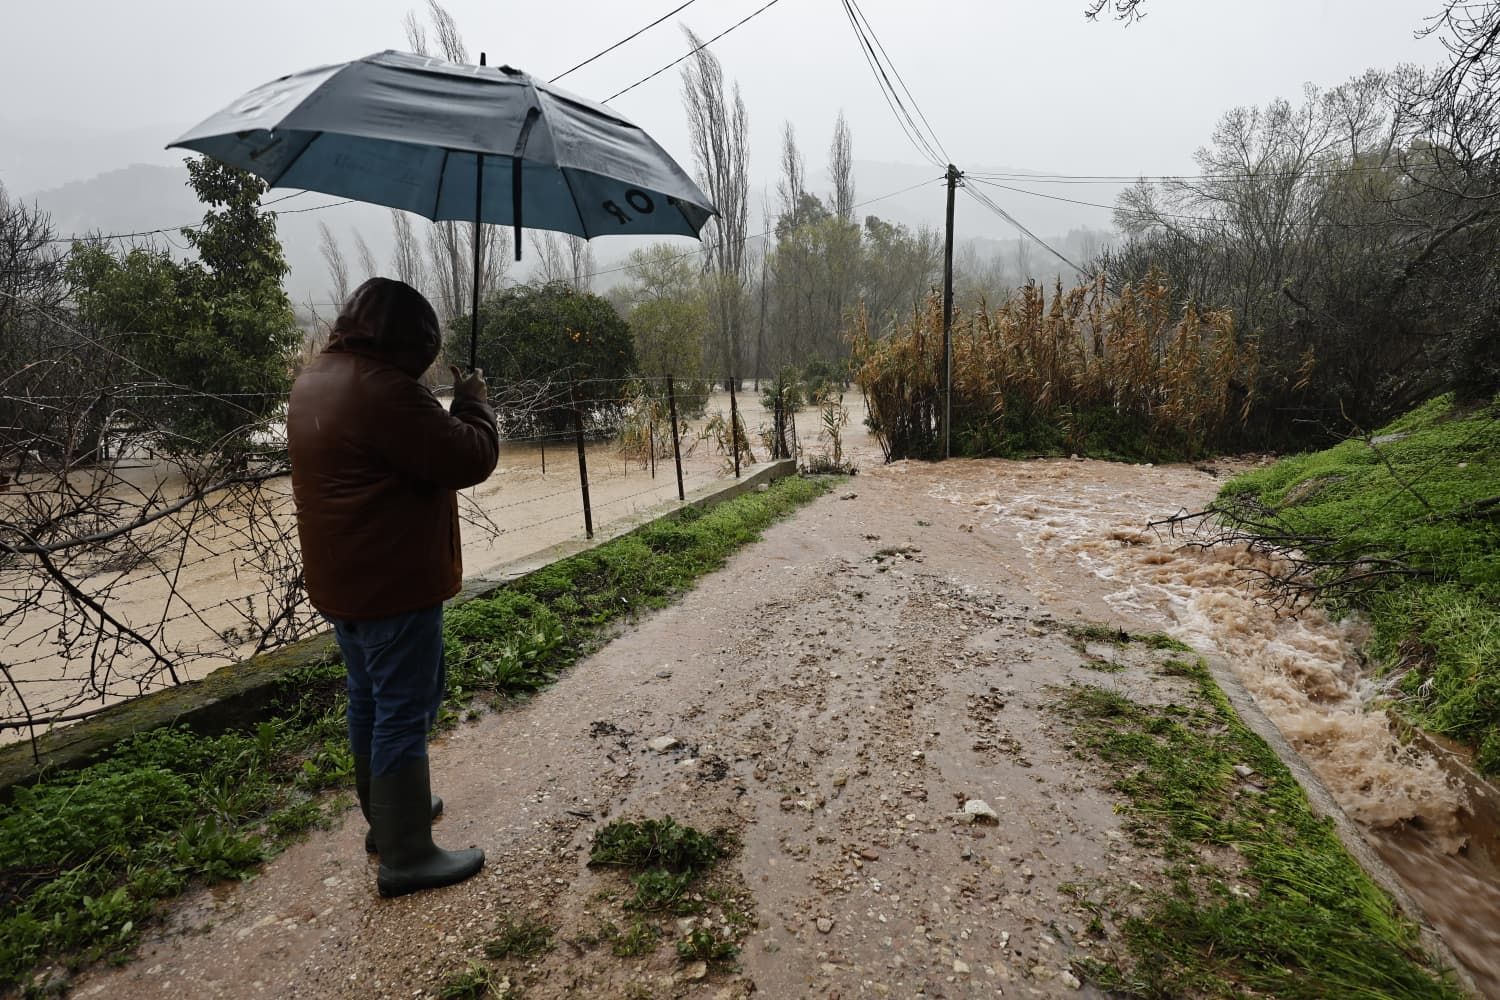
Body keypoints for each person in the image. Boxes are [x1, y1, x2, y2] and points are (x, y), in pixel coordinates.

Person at [287, 277, 499, 897]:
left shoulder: (316, 379)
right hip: (394, 582)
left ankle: (388, 819)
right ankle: (407, 854)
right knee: (404, 708)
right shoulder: (384, 391)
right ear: (407, 338)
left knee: (369, 701)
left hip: (343, 581)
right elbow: (468, 458)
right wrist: (474, 401)